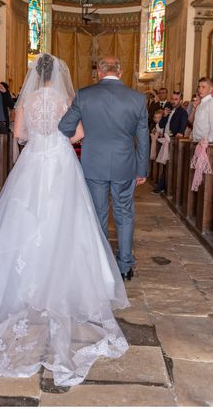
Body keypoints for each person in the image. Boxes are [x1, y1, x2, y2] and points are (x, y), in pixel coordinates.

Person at [0, 53, 129, 387]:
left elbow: (19, 134)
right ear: (58, 74)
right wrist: (59, 140)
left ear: (35, 73)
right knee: (66, 217)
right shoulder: (65, 99)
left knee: (25, 216)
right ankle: (63, 273)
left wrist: (39, 138)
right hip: (60, 160)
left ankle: (22, 275)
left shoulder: (26, 99)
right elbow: (77, 135)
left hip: (34, 160)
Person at [59, 55, 149, 281]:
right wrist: (142, 170)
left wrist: (87, 128)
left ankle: (98, 265)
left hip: (94, 163)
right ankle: (125, 265)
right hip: (124, 164)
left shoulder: (84, 95)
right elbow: (143, 138)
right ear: (120, 72)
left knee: (97, 213)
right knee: (124, 213)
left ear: (99, 72)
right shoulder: (137, 99)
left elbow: (65, 126)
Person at [151, 91, 188, 194]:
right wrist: (165, 115)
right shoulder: (168, 110)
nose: (173, 101)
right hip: (166, 140)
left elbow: (181, 130)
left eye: (176, 99)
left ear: (180, 100)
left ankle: (165, 187)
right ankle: (162, 186)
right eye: (172, 99)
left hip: (174, 142)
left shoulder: (182, 112)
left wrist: (178, 135)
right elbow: (161, 125)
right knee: (165, 165)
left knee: (171, 166)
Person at [192, 77, 213, 142]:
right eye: (199, 87)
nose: (200, 90)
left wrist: (208, 141)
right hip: (197, 142)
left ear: (210, 89)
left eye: (203, 87)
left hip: (206, 144)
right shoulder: (200, 105)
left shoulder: (212, 104)